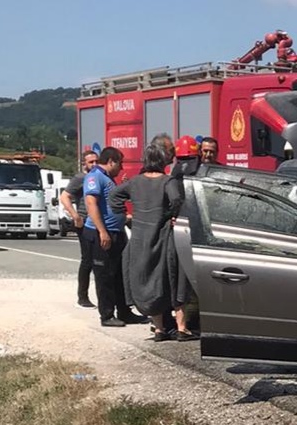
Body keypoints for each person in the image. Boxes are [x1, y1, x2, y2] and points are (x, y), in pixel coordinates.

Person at [108, 143, 197, 341]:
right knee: (175, 279)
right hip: (164, 236)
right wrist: (169, 216)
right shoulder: (168, 181)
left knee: (149, 280)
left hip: (140, 238)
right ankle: (182, 328)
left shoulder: (134, 182)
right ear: (162, 161)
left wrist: (124, 214)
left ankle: (159, 329)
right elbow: (176, 201)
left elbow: (114, 195)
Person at [82, 147, 148, 328]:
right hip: (101, 234)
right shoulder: (95, 177)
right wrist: (102, 231)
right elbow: (91, 203)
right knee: (105, 276)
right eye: (120, 163)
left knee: (120, 274)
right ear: (111, 161)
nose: (121, 167)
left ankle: (125, 311)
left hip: (116, 232)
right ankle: (107, 315)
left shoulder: (109, 179)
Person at [60, 149, 99, 308]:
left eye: (96, 161)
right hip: (84, 223)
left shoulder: (98, 177)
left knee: (99, 261)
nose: (94, 164)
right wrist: (75, 215)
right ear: (85, 164)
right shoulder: (80, 178)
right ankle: (82, 297)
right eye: (91, 162)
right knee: (87, 260)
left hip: (97, 222)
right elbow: (64, 196)